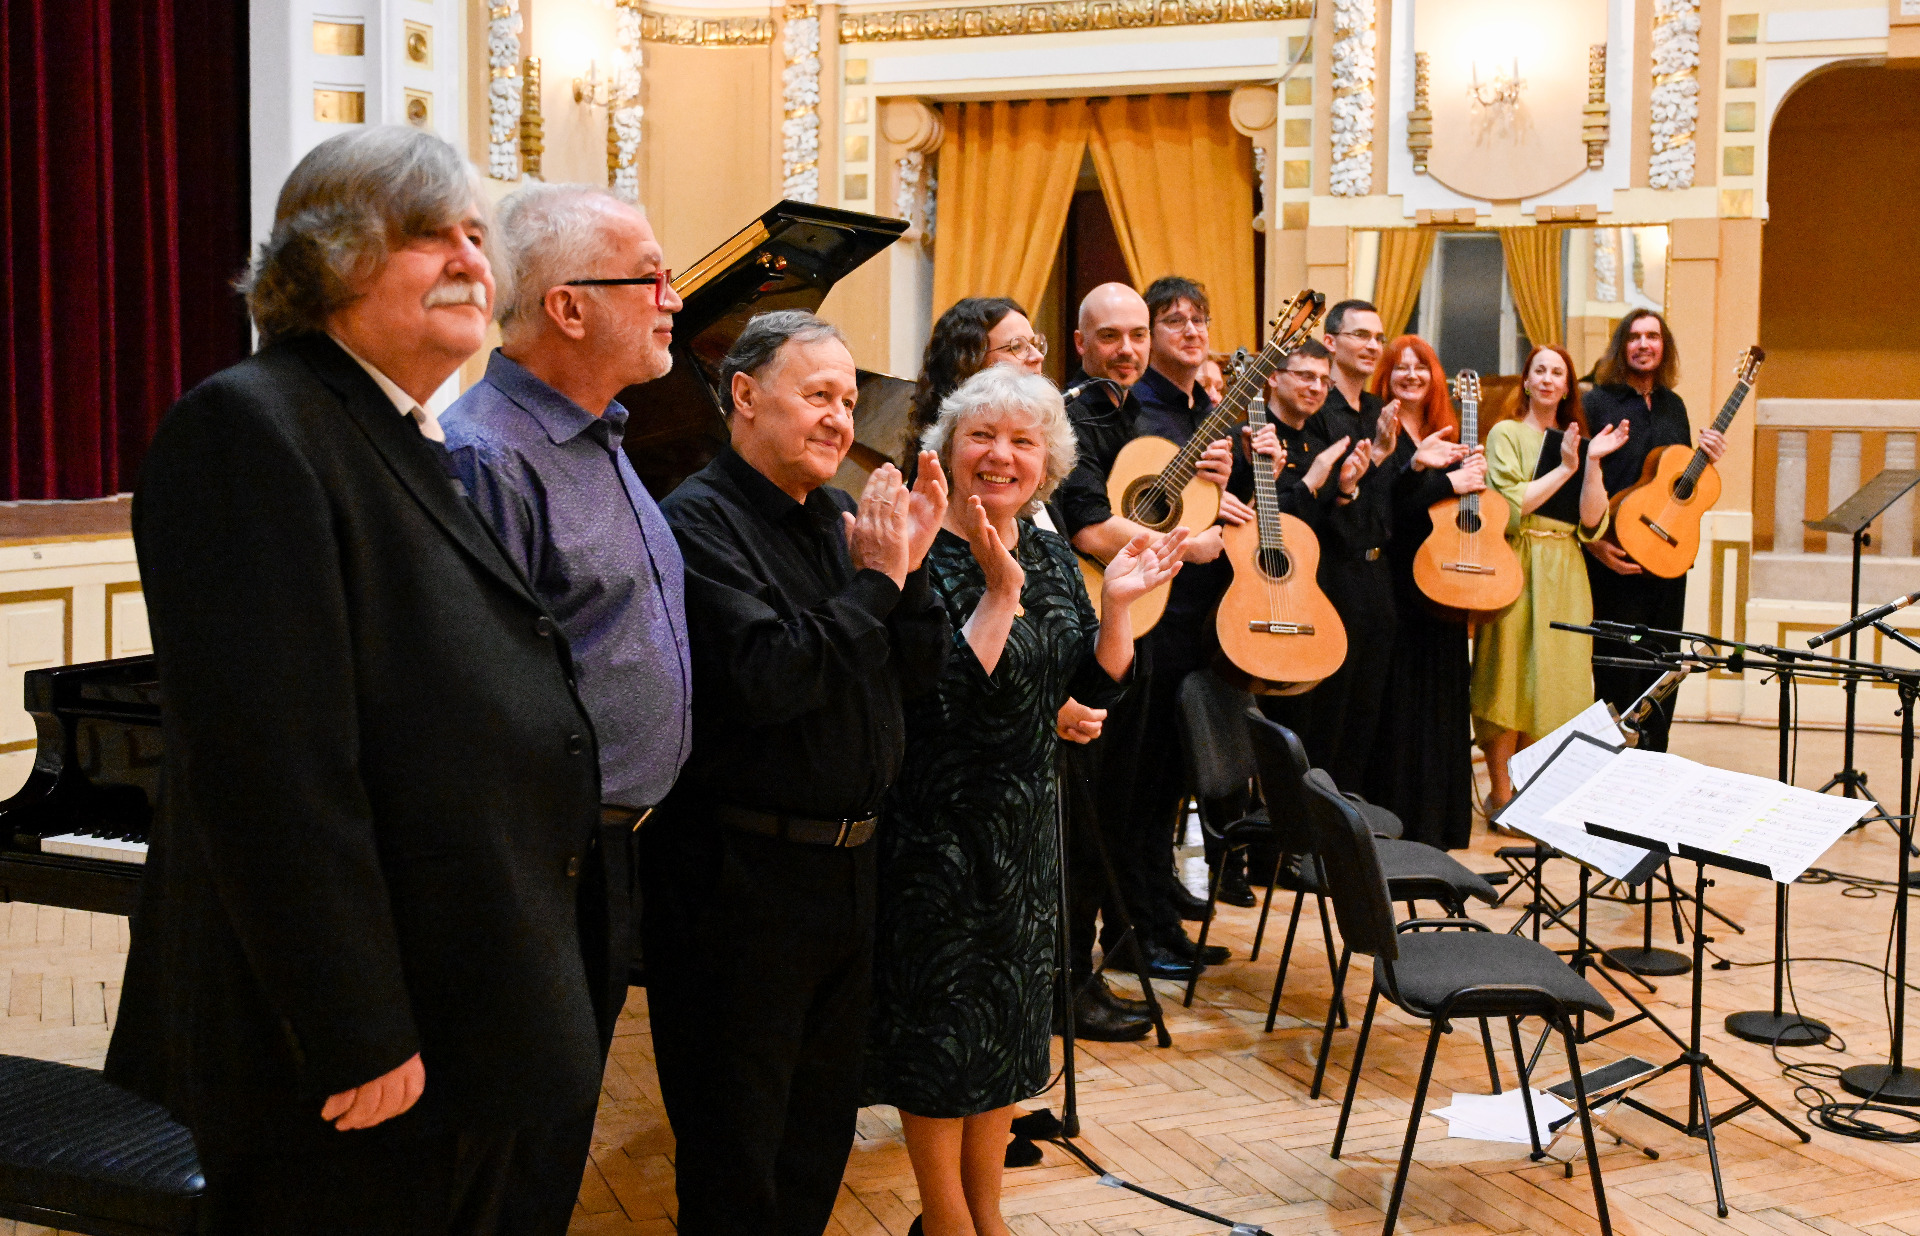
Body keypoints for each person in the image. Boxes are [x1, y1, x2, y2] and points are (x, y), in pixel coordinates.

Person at [104, 127, 616, 1235]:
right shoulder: (251, 426)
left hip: (459, 1007)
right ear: (327, 257)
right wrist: (356, 1030)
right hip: (352, 1056)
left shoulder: (395, 429)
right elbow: (274, 773)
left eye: (475, 235)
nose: (470, 259)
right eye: (428, 235)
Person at [648, 309, 951, 1235]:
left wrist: (913, 567)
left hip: (848, 872)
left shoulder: (834, 519)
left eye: (850, 401)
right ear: (743, 395)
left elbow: (915, 677)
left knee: (816, 1138)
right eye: (819, 395)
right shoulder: (694, 521)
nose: (840, 419)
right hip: (741, 880)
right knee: (738, 1151)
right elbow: (768, 677)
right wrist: (877, 583)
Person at [867, 366, 1183, 1236]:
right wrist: (999, 594)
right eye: (982, 436)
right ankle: (944, 1218)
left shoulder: (1044, 549)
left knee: (1007, 1029)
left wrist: (1117, 609)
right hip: (939, 833)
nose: (1001, 456)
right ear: (949, 447)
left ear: (1048, 462)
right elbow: (942, 698)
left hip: (1028, 826)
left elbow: (1088, 686)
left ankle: (986, 1211)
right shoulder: (920, 550)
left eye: (1022, 441)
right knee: (942, 1035)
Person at [440, 184, 692, 1004]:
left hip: (617, 847)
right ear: (569, 308)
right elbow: (483, 701)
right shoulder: (488, 457)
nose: (673, 300)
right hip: (544, 860)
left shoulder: (600, 433)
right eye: (650, 278)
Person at [1055, 282, 1234, 986]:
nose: (1127, 349)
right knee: (1119, 801)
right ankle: (1116, 944)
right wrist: (1187, 545)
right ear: (1081, 344)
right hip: (1114, 624)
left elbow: (1163, 499)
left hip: (1161, 620)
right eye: (1112, 336)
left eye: (1135, 335)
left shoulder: (1140, 412)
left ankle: (1147, 926)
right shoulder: (1077, 417)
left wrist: (1215, 484)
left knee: (1154, 789)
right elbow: (1088, 524)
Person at [1471, 344, 1630, 807]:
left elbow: (1591, 521)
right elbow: (1512, 505)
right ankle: (1502, 793)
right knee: (1507, 677)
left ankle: (1536, 794)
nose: (1546, 378)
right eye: (1538, 370)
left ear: (1566, 387)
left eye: (1556, 373)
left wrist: (1592, 463)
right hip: (1516, 561)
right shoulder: (1506, 434)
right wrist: (1565, 468)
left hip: (1565, 569)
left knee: (1556, 682)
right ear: (1526, 381)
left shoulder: (1576, 441)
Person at [1265, 300, 1399, 789]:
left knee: (1362, 717)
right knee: (1320, 719)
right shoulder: (1302, 423)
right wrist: (1329, 482)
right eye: (1360, 334)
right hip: (1319, 579)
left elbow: (1368, 501)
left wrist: (1368, 472)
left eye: (1378, 337)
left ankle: (1347, 820)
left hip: (1372, 575)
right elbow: (1289, 522)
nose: (1315, 387)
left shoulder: (1376, 412)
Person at [1582, 310, 1726, 752]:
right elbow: (1578, 478)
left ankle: (1654, 761)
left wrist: (1706, 459)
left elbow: (1674, 480)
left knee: (1664, 667)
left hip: (1667, 559)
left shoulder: (1672, 405)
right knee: (1616, 671)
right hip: (1615, 558)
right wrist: (1594, 544)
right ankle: (1609, 765)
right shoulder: (1596, 402)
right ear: (1621, 345)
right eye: (1634, 336)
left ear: (1664, 347)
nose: (1644, 344)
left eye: (1653, 336)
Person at [1364, 336, 1481, 849]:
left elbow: (1462, 508)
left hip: (1445, 580)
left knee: (1443, 704)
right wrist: (1443, 482)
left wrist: (1473, 483)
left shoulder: (1446, 431)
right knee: (1401, 707)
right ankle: (1399, 823)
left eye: (1421, 367)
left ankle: (1439, 825)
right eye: (1400, 367)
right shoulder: (1380, 428)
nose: (1411, 375)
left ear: (1435, 376)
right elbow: (1386, 506)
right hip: (1398, 581)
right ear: (1386, 376)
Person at [901, 296, 1047, 472]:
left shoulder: (1047, 428)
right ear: (969, 364)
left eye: (1034, 344)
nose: (1038, 357)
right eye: (1016, 347)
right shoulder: (932, 466)